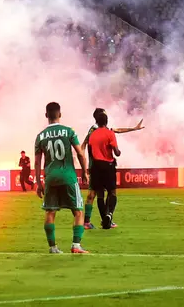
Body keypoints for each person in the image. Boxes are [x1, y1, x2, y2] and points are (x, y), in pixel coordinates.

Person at [35, 101, 88, 254]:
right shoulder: (69, 131)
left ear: (46, 115)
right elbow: (80, 153)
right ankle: (76, 245)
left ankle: (52, 247)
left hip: (51, 178)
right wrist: (85, 171)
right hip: (68, 176)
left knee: (50, 212)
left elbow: (37, 162)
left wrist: (39, 183)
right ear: (60, 114)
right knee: (78, 211)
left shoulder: (40, 136)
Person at [86, 109, 120, 230]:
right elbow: (116, 152)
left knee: (100, 194)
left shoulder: (92, 134)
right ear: (106, 121)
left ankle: (103, 219)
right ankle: (109, 215)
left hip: (96, 166)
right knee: (112, 193)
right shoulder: (110, 133)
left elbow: (90, 151)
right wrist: (118, 151)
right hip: (108, 166)